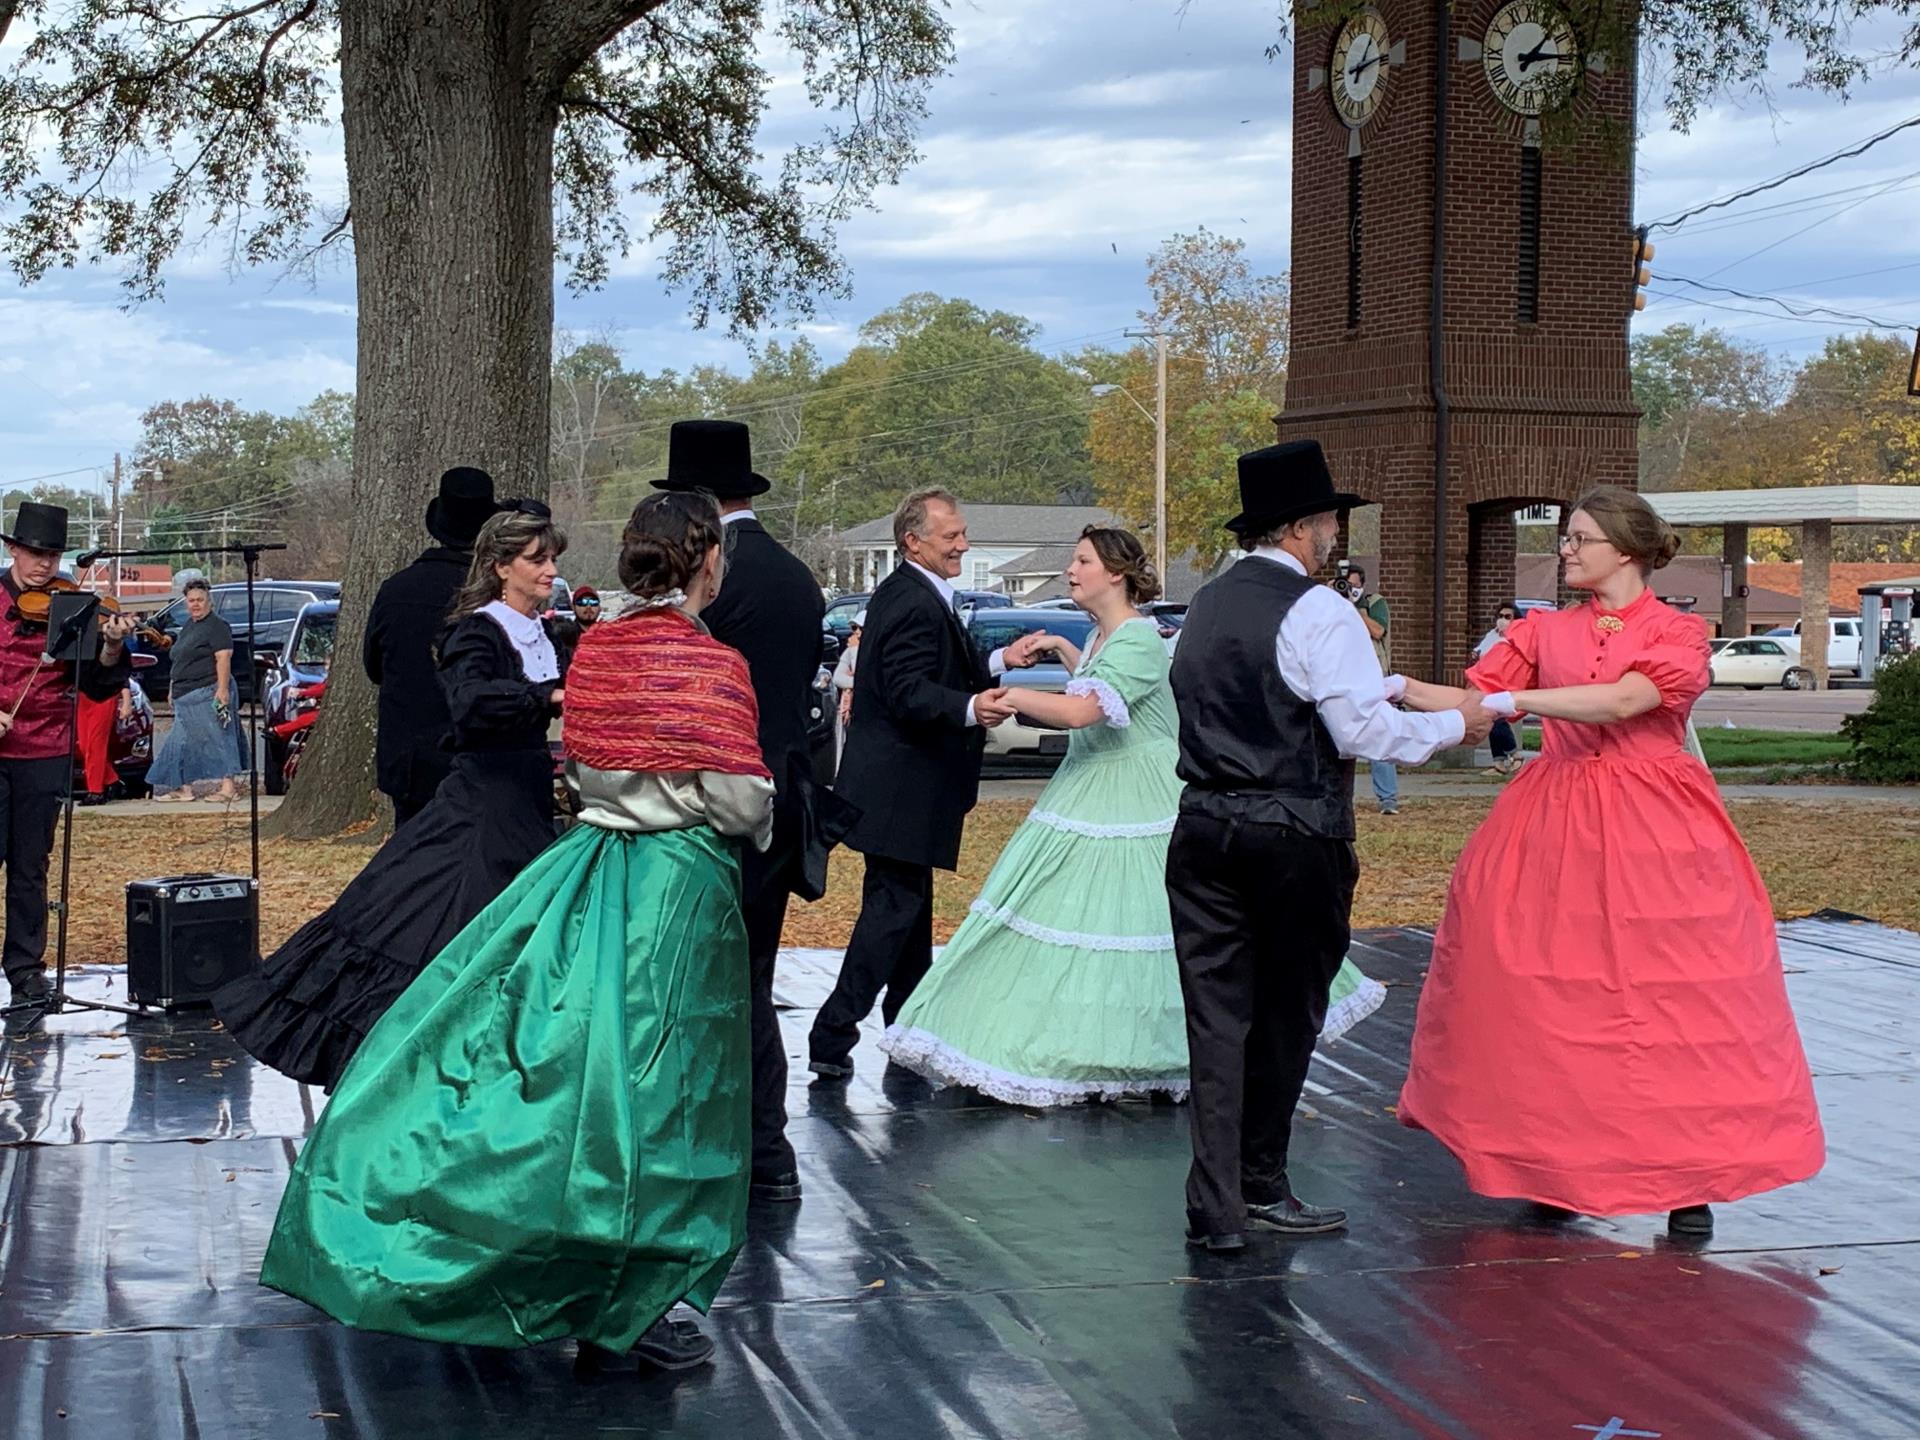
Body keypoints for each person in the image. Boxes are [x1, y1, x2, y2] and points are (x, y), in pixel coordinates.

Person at [259, 490, 773, 1372]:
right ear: (705, 563)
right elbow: (739, 797)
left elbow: (582, 758)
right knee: (656, 1083)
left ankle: (521, 1245)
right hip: (675, 884)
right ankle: (630, 1295)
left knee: (561, 1063)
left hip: (586, 862)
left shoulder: (598, 648)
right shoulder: (711, 662)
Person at [1394, 486, 1824, 1238]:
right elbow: (1471, 706)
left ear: (1624, 550)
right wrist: (1390, 687)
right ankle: (1553, 1165)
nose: (1565, 549)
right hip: (1552, 821)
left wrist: (1517, 704)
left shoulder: (1679, 633)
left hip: (1656, 827)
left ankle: (1689, 1180)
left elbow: (1627, 701)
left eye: (1579, 538)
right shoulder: (1540, 631)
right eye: (1566, 538)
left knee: (1673, 1002)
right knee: (1553, 1001)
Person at [881, 526, 1387, 1105]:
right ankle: (1087, 1049)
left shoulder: (1140, 639)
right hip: (1089, 791)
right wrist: (1069, 654)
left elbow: (1083, 711)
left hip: (1139, 798)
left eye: (1081, 561)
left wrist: (1014, 695)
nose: (1071, 570)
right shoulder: (1103, 637)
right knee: (1077, 924)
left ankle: (1167, 1055)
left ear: (1115, 574)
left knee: (1147, 931)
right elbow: (1096, 681)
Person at [1169, 442, 1493, 1253]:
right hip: (1295, 831)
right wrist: (1461, 723)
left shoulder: (1202, 606)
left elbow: (1232, 694)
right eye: (1330, 522)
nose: (1336, 535)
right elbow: (1360, 729)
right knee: (1283, 1015)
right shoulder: (1321, 611)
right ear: (1303, 528)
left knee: (1214, 1020)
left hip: (1203, 823)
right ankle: (1262, 1184)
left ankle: (1216, 1205)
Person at [214, 505, 569, 1088]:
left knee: (510, 940)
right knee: (442, 929)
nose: (550, 570)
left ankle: (493, 1071)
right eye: (538, 560)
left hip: (526, 804)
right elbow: (472, 704)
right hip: (482, 807)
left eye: (552, 558)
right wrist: (549, 699)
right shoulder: (478, 629)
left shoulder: (542, 630)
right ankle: (420, 1067)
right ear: (502, 567)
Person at [808, 487, 1043, 1079]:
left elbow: (926, 671)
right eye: (951, 536)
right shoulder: (912, 600)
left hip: (900, 788)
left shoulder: (915, 594)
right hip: (899, 789)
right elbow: (909, 691)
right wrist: (972, 706)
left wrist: (996, 664)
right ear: (913, 542)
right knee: (892, 913)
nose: (963, 544)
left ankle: (909, 1024)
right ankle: (832, 1035)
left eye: (963, 533)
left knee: (907, 913)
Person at [652, 419, 825, 1207]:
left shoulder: (713, 583)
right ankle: (764, 1144)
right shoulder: (795, 574)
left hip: (726, 800)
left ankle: (743, 1141)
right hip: (787, 797)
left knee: (718, 980)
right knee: (752, 971)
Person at [0, 502, 136, 1029]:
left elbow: (97, 682)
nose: (43, 564)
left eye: (52, 555)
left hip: (45, 751)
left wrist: (111, 644)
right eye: (35, 553)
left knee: (30, 868)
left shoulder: (74, 606)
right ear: (13, 549)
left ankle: (25, 969)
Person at [363, 466, 506, 827]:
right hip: (475, 759)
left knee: (411, 865)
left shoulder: (396, 590)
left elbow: (374, 666)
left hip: (410, 764)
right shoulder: (497, 596)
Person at [148, 578, 250, 803]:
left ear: (209, 601)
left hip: (209, 690)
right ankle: (183, 788)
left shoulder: (217, 625)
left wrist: (222, 690)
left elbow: (223, 658)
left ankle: (228, 788)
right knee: (179, 743)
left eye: (200, 600)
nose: (195, 604)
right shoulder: (189, 626)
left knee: (221, 735)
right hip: (185, 694)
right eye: (191, 600)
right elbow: (179, 659)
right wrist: (172, 688)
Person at [1341, 563, 1399, 813]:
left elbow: (1378, 631)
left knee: (1378, 734)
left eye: (1354, 586)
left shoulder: (1373, 603)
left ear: (1362, 585)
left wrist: (1356, 609)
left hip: (1372, 678)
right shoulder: (1332, 604)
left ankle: (1388, 798)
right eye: (1345, 586)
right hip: (1342, 678)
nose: (1349, 590)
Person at [1473, 603, 1523, 774]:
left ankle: (1514, 754)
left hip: (1504, 683)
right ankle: (1499, 761)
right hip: (1487, 682)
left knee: (1496, 718)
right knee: (1491, 720)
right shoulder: (1492, 635)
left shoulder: (1516, 638)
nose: (1502, 620)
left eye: (1508, 617)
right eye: (1500, 616)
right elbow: (1480, 652)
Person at [832, 611, 864, 765]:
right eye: (854, 628)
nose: (857, 632)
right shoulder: (850, 652)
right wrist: (858, 682)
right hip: (849, 706)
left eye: (861, 628)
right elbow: (838, 677)